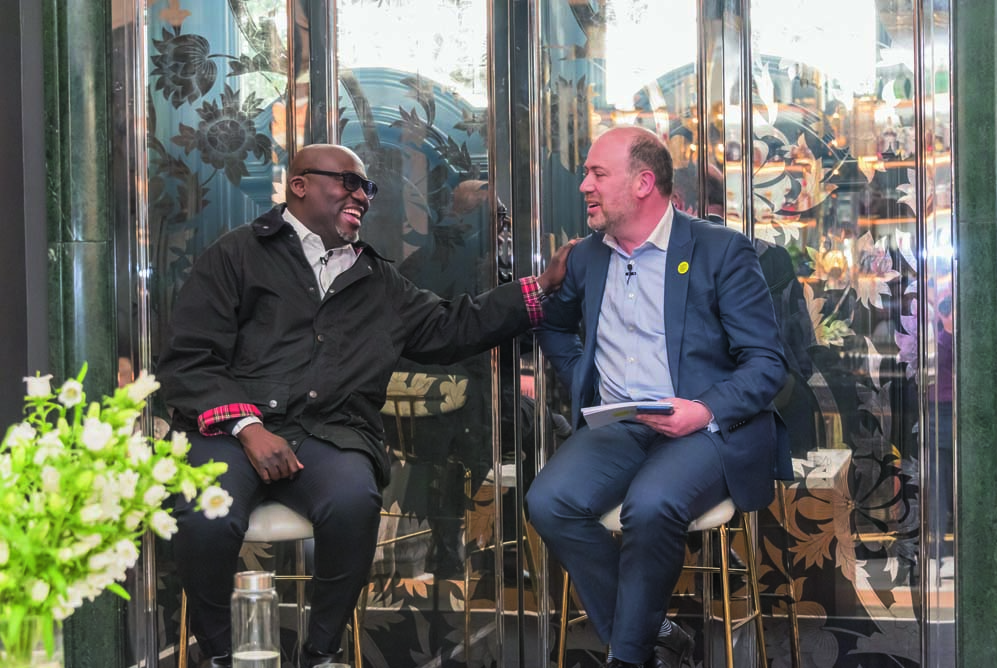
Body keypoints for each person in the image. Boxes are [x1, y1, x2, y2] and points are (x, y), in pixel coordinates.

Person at [156, 143, 572, 668]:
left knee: (354, 501)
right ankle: (217, 653)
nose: (361, 196)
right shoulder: (236, 255)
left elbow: (451, 325)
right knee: (205, 513)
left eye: (367, 187)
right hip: (235, 431)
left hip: (330, 433)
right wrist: (248, 427)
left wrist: (541, 288)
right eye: (347, 183)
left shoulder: (378, 281)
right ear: (300, 185)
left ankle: (321, 652)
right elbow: (191, 358)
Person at [526, 126, 791, 668]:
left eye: (597, 173)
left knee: (649, 506)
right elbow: (552, 326)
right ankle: (652, 632)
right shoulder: (585, 259)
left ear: (644, 182)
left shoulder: (720, 251)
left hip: (704, 429)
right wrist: (586, 372)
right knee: (548, 503)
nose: (583, 186)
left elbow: (768, 364)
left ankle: (627, 657)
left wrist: (705, 408)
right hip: (620, 425)